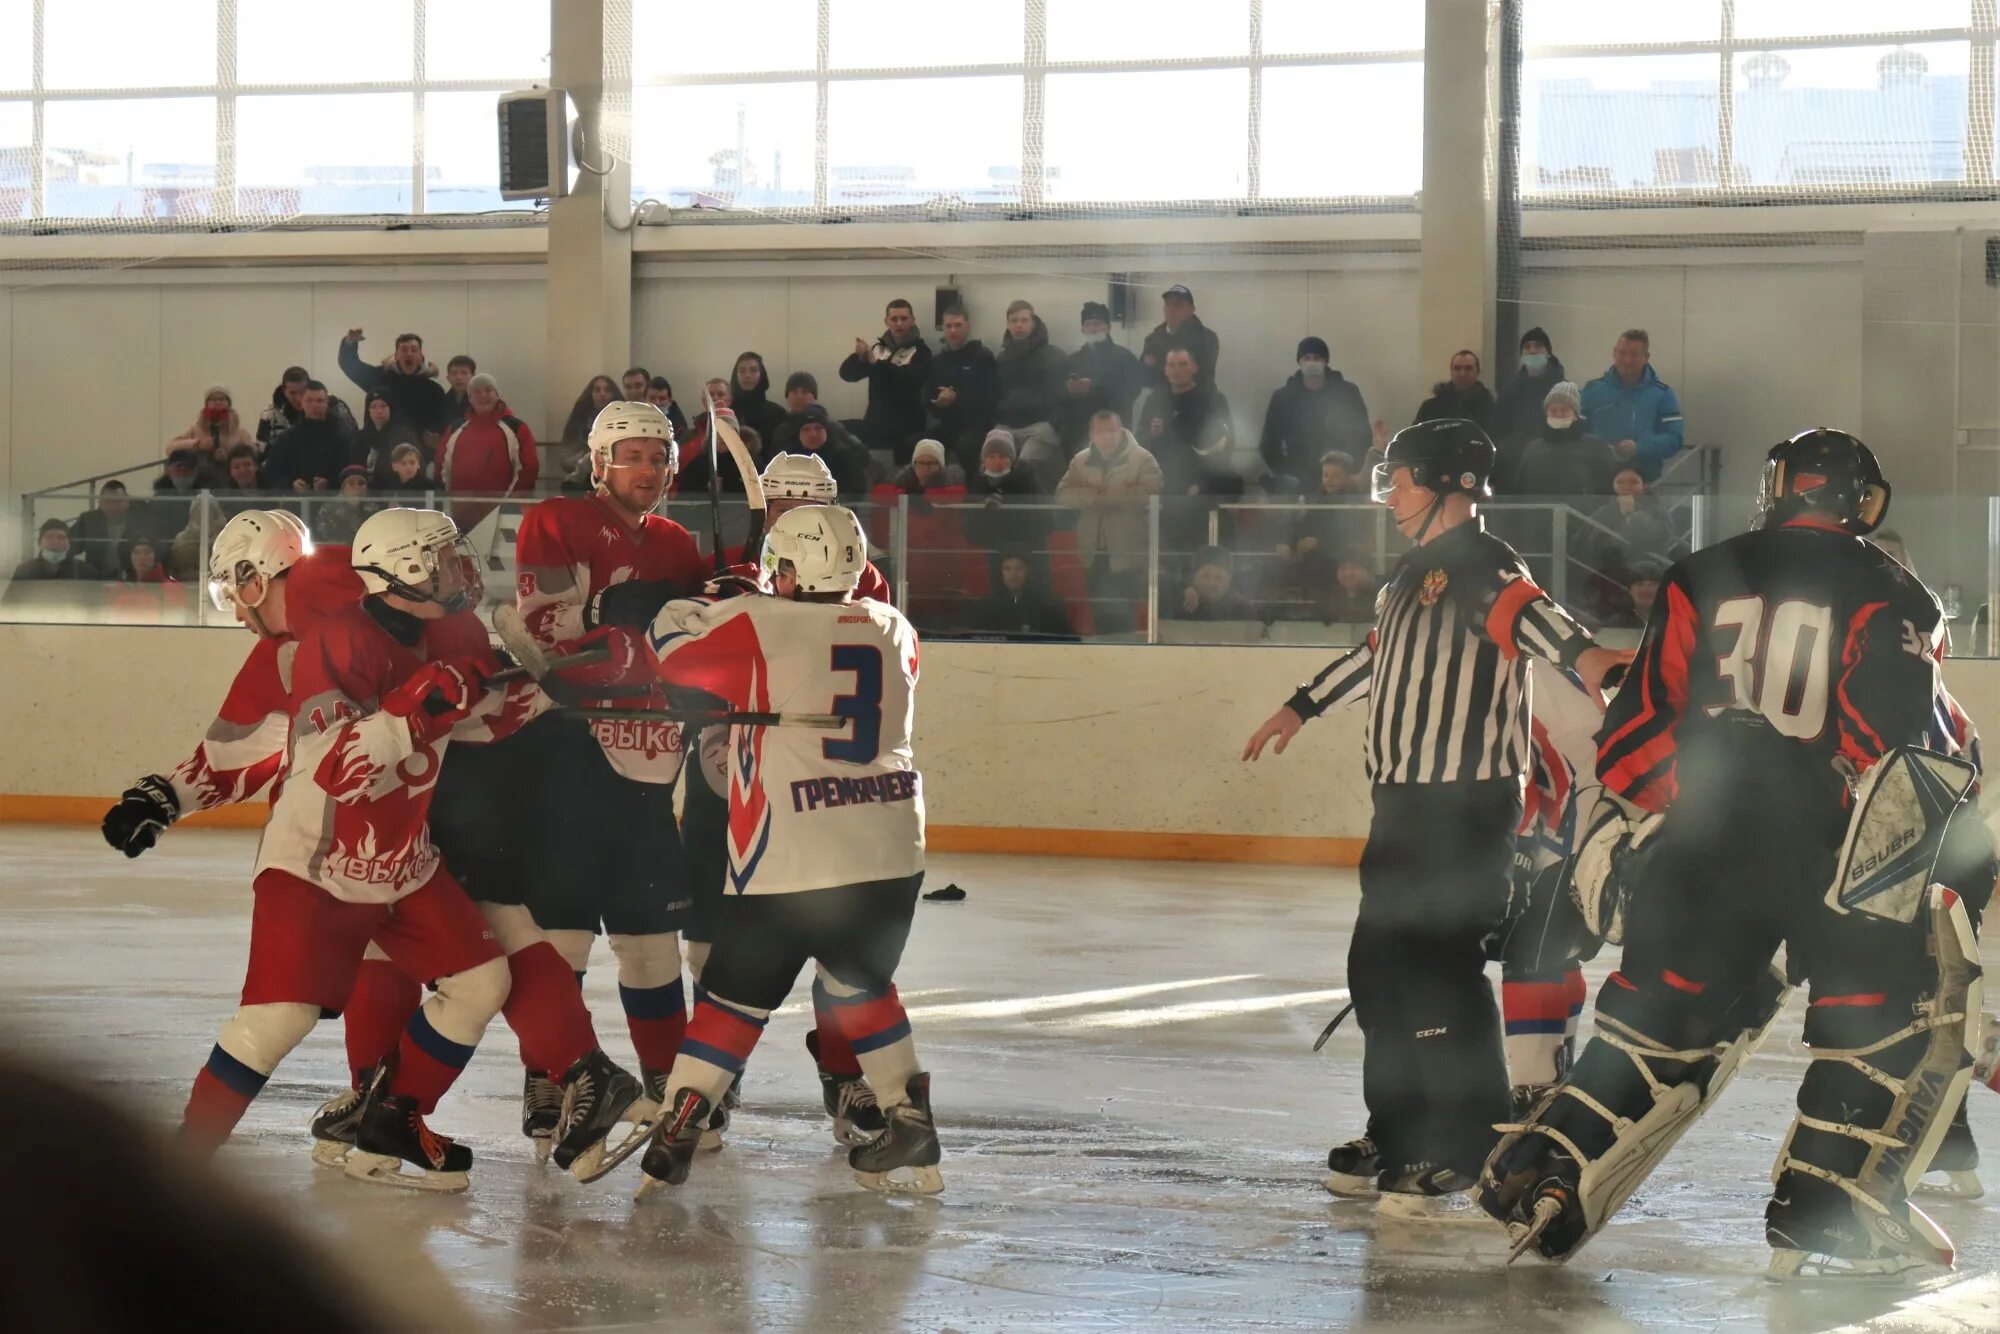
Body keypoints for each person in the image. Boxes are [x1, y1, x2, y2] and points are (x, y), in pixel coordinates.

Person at [1482, 430, 1981, 1280]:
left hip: (1699, 847)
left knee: (1655, 1019)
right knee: (1881, 1021)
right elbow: (1901, 757)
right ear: (1864, 502)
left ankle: (1544, 1170)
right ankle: (1826, 1219)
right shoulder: (1893, 589)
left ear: (1777, 488)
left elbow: (1633, 736)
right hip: (1828, 854)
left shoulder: (1699, 573)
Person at [101, 509, 641, 1188]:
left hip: (408, 843)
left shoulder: (330, 617)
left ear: (253, 574)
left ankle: (390, 1111)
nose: (238, 613)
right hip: (342, 851)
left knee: (468, 966)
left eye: (235, 593)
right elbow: (322, 757)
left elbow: (474, 706)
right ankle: (360, 1111)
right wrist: (165, 795)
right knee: (298, 1010)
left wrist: (576, 674)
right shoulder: (334, 628)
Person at [1240, 418, 1627, 1217]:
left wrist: (1599, 668)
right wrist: (1300, 706)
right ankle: (1399, 1127)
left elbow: (1545, 625)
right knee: (1377, 974)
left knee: (1439, 972)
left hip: (1464, 809)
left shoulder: (1486, 568)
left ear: (1450, 486)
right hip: (1402, 806)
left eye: (1403, 480)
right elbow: (1373, 655)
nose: (1390, 496)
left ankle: (1468, 1145)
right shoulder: (1408, 577)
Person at [634, 504, 940, 1198]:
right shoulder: (897, 627)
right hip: (891, 847)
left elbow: (670, 655)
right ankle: (910, 1118)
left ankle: (680, 1120)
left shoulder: (760, 622)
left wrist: (699, 603)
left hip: (794, 850)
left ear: (793, 569)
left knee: (734, 999)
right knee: (860, 986)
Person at [673, 450, 896, 1150]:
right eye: (783, 504)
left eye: (810, 501)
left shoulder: (863, 580)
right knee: (711, 932)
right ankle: (715, 1077)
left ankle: (844, 1075)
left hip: (823, 787)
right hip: (734, 775)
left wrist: (756, 605)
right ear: (765, 507)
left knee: (846, 951)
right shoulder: (738, 571)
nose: (795, 514)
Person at [512, 400, 710, 1142]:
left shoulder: (679, 542)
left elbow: (699, 647)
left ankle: (670, 1084)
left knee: (650, 943)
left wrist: (723, 589)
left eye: (659, 457)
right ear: (600, 462)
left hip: (652, 764)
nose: (648, 469)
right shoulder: (556, 521)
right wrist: (626, 623)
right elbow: (548, 639)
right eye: (633, 455)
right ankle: (551, 1072)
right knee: (563, 938)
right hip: (568, 754)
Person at [1055, 410, 1165, 637]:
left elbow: (1151, 494)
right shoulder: (1080, 460)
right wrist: (1094, 498)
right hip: (1092, 552)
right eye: (1100, 431)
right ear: (1092, 434)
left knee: (1123, 614)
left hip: (1129, 551)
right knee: (1100, 616)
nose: (1107, 436)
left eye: (1111, 431)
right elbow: (1062, 494)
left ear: (1121, 430)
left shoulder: (1143, 459)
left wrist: (1111, 496)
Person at [1259, 337, 1372, 486]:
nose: (1311, 362)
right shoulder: (1283, 397)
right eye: (1307, 358)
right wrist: (1289, 472)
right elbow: (1269, 445)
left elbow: (1362, 437)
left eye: (1317, 358)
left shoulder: (1347, 393)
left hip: (1340, 478)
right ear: (1299, 361)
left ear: (1325, 361)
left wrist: (1350, 469)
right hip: (1298, 478)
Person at [1578, 329, 1684, 482]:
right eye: (1622, 353)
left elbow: (1674, 439)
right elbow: (1577, 434)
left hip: (1643, 481)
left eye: (1634, 355)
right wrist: (1598, 449)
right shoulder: (1591, 390)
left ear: (1646, 357)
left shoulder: (1662, 394)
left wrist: (1639, 448)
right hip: (1597, 480)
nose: (1627, 360)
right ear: (1614, 352)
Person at [437, 372, 538, 528]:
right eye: (477, 391)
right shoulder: (455, 428)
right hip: (459, 515)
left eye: (489, 390)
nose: (483, 395)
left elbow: (527, 468)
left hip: (501, 514)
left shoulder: (516, 428)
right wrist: (451, 502)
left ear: (497, 394)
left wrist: (508, 504)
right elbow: (442, 466)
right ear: (470, 398)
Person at [1134, 347, 1237, 498]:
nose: (1177, 370)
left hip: (1200, 487)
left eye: (1183, 364)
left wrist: (1202, 483)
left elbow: (1225, 445)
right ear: (1165, 369)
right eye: (1171, 365)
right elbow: (1139, 442)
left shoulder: (1213, 401)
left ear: (1194, 368)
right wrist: (1153, 435)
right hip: (1163, 485)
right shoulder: (1155, 401)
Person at [839, 298, 932, 463]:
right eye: (894, 319)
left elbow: (909, 379)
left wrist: (875, 363)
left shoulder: (922, 351)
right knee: (832, 430)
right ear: (886, 321)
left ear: (913, 321)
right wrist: (859, 358)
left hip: (908, 427)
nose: (899, 323)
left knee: (908, 447)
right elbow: (847, 375)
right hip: (876, 423)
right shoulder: (878, 349)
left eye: (904, 319)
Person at [1058, 300, 1146, 453]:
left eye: (1098, 323)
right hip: (1079, 434)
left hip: (1115, 431)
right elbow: (1060, 397)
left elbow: (1132, 392)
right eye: (1088, 324)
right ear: (1082, 328)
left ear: (1108, 327)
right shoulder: (1073, 360)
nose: (1093, 328)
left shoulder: (1125, 357)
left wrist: (1093, 388)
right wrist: (1069, 391)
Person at [992, 300, 1068, 477]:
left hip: (1040, 426)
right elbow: (994, 394)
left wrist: (1052, 425)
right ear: (1008, 324)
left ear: (1033, 323)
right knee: (990, 467)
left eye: (1024, 320)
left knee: (1024, 469)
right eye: (1014, 320)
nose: (1019, 325)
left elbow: (1064, 398)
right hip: (1005, 425)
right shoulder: (1002, 358)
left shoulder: (1054, 356)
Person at [1510, 382, 1617, 499]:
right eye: (1553, 410)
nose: (1559, 414)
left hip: (1583, 516)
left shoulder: (1597, 448)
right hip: (1539, 516)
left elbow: (1609, 489)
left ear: (1576, 414)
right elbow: (1519, 492)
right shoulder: (1532, 450)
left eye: (1564, 410)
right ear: (1546, 414)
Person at [923, 307, 1000, 468]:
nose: (953, 330)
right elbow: (930, 402)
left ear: (967, 326)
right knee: (922, 445)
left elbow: (991, 399)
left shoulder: (982, 356)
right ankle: (932, 489)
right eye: (948, 326)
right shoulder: (938, 361)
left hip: (978, 425)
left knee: (967, 447)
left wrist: (957, 398)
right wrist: (938, 404)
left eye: (958, 325)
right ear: (942, 328)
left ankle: (971, 491)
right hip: (948, 424)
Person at [337, 329, 448, 439]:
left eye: (414, 350)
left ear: (420, 356)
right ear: (396, 355)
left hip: (416, 452)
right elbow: (350, 365)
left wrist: (434, 438)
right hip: (379, 446)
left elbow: (440, 423)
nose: (409, 353)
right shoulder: (379, 378)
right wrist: (349, 342)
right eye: (404, 349)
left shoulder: (434, 390)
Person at [1489, 329, 1567, 471]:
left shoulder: (1563, 390)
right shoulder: (1510, 391)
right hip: (1517, 465)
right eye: (1527, 347)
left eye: (1538, 346)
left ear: (1548, 353)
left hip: (1557, 465)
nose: (1532, 350)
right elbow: (1498, 430)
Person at [263, 383, 349, 495]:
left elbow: (351, 472)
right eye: (310, 400)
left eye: (320, 401)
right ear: (302, 403)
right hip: (297, 504)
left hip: (333, 502)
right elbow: (271, 473)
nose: (315, 405)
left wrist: (330, 484)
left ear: (327, 403)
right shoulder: (288, 438)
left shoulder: (342, 436)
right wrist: (291, 485)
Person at [774, 404, 872, 499]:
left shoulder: (844, 456)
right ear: (798, 434)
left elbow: (856, 492)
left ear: (827, 431)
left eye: (818, 428)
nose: (813, 434)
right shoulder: (786, 458)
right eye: (806, 429)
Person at [971, 549, 1073, 639]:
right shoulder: (986, 607)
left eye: (1019, 568)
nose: (1013, 575)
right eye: (1007, 568)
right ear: (1000, 572)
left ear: (1028, 572)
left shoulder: (1048, 604)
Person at [257, 365, 358, 450]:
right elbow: (262, 453)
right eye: (292, 393)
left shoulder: (335, 405)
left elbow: (353, 442)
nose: (299, 398)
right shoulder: (269, 414)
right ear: (284, 390)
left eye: (302, 392)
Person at [1141, 284, 1220, 389]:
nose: (1171, 309)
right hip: (1161, 402)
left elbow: (1202, 378)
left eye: (1178, 305)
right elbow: (1145, 378)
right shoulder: (1153, 339)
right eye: (1168, 304)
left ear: (1191, 309)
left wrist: (1160, 366)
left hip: (1198, 402)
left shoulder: (1206, 338)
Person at [169, 385, 258, 467]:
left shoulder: (240, 432)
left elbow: (252, 453)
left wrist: (230, 456)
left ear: (229, 403)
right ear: (206, 403)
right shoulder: (196, 429)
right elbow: (170, 448)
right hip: (202, 479)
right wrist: (197, 444)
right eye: (213, 399)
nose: (218, 402)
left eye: (222, 399)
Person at [558, 375, 623, 482]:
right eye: (597, 390)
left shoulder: (623, 417)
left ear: (613, 394)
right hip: (583, 475)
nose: (602, 394)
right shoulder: (579, 418)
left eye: (607, 390)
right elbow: (566, 458)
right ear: (591, 394)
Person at [356, 389, 425, 486]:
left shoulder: (405, 435)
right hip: (366, 494)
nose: (379, 411)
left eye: (383, 406)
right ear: (368, 411)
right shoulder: (359, 437)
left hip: (397, 493)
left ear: (390, 409)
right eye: (374, 407)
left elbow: (419, 467)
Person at [1414, 350, 1495, 433]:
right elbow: (1414, 440)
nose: (1462, 373)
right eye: (1457, 368)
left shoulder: (1491, 409)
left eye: (1468, 368)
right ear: (1451, 372)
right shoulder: (1430, 408)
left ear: (1477, 372)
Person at [1169, 545, 1256, 621]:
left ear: (1229, 581)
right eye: (1205, 576)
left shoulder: (1242, 610)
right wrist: (1183, 587)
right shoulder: (1179, 603)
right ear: (1193, 578)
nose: (1212, 583)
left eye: (1219, 577)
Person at [69, 480, 138, 574]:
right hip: (96, 579)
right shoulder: (88, 520)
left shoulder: (139, 521)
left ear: (128, 502)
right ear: (100, 503)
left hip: (131, 579)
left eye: (118, 501)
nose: (113, 507)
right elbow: (68, 547)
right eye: (108, 502)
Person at [8, 518, 93, 586]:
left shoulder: (86, 571)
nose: (55, 541)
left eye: (61, 537)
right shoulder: (24, 571)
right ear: (39, 543)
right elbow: (12, 604)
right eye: (49, 537)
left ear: (69, 543)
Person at [728, 352, 787, 444]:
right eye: (742, 370)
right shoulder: (726, 413)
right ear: (736, 375)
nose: (747, 375)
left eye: (753, 370)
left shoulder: (777, 413)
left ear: (762, 375)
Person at [312, 466, 375, 546]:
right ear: (343, 487)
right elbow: (324, 536)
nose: (357, 487)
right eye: (351, 483)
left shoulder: (373, 509)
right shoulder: (329, 508)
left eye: (361, 483)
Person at [891, 438, 966, 493]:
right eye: (921, 463)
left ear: (940, 466)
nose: (926, 468)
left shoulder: (952, 492)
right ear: (914, 466)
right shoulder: (902, 490)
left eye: (931, 463)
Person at [643, 375, 692, 441]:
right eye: (652, 398)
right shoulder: (634, 418)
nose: (657, 403)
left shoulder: (679, 426)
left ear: (670, 400)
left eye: (662, 399)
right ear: (645, 399)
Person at [442, 354, 476, 433]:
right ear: (448, 378)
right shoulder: (441, 400)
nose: (459, 377)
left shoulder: (480, 400)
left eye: (464, 373)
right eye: (454, 373)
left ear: (473, 376)